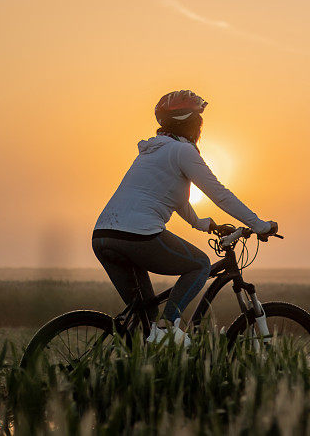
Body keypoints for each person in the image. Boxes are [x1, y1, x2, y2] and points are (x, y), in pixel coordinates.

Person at [91, 90, 278, 346]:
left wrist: (203, 224)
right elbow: (220, 195)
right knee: (199, 265)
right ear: (191, 124)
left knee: (146, 319)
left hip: (103, 237)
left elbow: (174, 197)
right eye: (200, 122)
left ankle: (138, 367)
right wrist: (259, 225)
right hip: (138, 235)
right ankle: (168, 327)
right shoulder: (182, 152)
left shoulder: (151, 153)